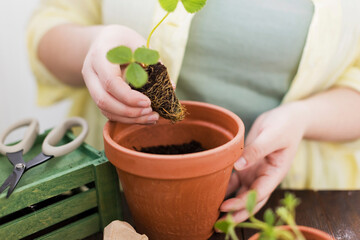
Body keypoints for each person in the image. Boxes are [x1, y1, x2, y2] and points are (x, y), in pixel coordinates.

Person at [27, 0, 360, 223]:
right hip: (120, 192)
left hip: (292, 198)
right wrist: (97, 45)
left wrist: (302, 117)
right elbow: (50, 27)